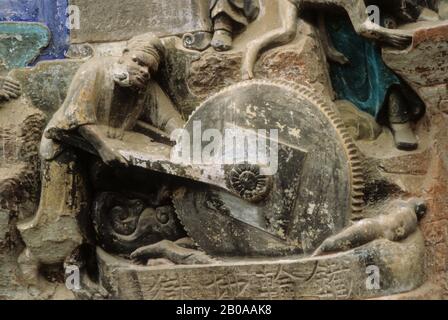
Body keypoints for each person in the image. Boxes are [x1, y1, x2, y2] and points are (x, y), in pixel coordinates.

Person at [17, 33, 185, 274]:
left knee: (143, 192)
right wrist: (104, 147)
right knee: (66, 215)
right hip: (67, 147)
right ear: (124, 55)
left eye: (149, 68)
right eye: (138, 62)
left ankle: (94, 262)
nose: (143, 71)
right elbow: (77, 117)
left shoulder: (144, 87)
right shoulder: (93, 71)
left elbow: (168, 117)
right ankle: (32, 262)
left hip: (107, 154)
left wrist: (179, 133)